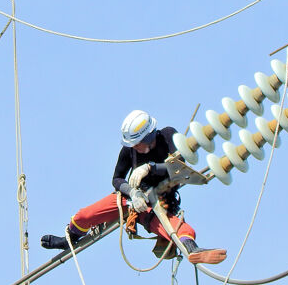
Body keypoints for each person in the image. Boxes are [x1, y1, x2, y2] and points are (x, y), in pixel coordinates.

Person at [40, 110, 227, 265]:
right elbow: (117, 179)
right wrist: (132, 192)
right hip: (130, 199)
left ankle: (193, 251)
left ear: (150, 136)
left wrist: (151, 167)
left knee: (181, 229)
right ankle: (69, 239)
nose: (135, 148)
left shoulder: (168, 136)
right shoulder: (129, 150)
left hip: (156, 203)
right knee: (84, 215)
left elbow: (180, 166)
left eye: (138, 144)